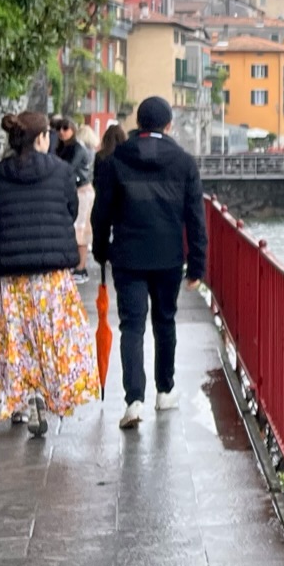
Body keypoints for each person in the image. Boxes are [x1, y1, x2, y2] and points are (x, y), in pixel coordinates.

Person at [0, 110, 99, 436]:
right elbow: (71, 209)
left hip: (10, 274)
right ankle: (40, 397)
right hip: (50, 276)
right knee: (46, 339)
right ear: (42, 138)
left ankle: (19, 402)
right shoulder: (61, 172)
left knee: (15, 339)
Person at [90, 96, 206, 429]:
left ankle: (133, 400)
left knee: (132, 326)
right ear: (168, 125)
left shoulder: (116, 160)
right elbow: (196, 218)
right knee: (165, 321)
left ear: (139, 123)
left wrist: (101, 250)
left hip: (127, 255)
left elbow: (102, 212)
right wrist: (197, 265)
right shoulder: (183, 162)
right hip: (168, 256)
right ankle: (165, 391)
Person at [51, 115, 97, 281]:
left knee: (81, 229)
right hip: (69, 190)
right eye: (59, 129)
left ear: (73, 129)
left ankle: (81, 268)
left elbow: (68, 168)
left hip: (82, 190)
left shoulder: (77, 148)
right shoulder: (60, 147)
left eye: (65, 128)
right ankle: (74, 265)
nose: (62, 132)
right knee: (72, 228)